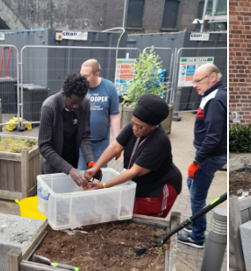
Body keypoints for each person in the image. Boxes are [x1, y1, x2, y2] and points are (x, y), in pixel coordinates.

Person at [84, 94, 181, 218]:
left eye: (139, 127)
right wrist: (95, 166)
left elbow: (134, 171)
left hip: (158, 189)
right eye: (133, 123)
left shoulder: (159, 142)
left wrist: (103, 186)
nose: (134, 128)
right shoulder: (134, 126)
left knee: (145, 223)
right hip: (139, 186)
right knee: (130, 215)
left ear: (153, 126)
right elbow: (115, 147)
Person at [176, 63, 227, 248]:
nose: (194, 85)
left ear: (212, 78)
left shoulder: (214, 99)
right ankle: (197, 224)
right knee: (192, 184)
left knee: (197, 195)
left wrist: (197, 161)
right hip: (209, 155)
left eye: (198, 81)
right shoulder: (213, 95)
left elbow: (213, 137)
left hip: (210, 156)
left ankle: (197, 236)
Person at [39, 73, 93, 188]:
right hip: (52, 167)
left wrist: (91, 161)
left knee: (67, 200)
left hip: (72, 163)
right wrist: (69, 169)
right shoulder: (49, 107)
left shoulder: (85, 104)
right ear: (64, 94)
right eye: (73, 102)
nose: (77, 106)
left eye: (80, 102)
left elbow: (85, 136)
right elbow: (44, 146)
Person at [78, 59, 121, 170]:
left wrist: (118, 142)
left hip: (102, 142)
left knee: (99, 175)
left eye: (86, 76)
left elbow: (114, 115)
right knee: (82, 174)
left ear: (96, 74)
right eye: (81, 74)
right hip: (82, 141)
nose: (82, 79)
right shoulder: (79, 87)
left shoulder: (109, 87)